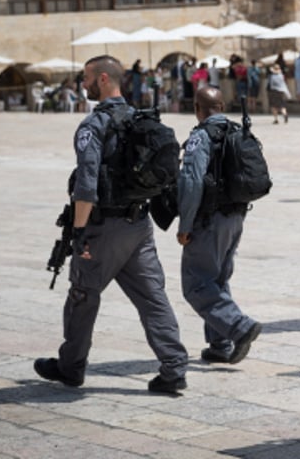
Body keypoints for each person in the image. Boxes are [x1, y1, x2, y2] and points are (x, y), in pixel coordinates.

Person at [34, 55, 189, 394]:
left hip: (104, 229)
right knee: (152, 297)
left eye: (86, 78)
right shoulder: (138, 118)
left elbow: (86, 185)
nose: (82, 84)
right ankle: (174, 368)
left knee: (82, 295)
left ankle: (71, 367)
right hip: (139, 226)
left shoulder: (94, 125)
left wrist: (78, 232)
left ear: (103, 79)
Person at [175, 86, 264, 365]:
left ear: (197, 109)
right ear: (222, 105)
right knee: (217, 279)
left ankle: (239, 326)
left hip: (209, 220)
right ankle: (220, 344)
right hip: (235, 216)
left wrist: (185, 224)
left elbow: (191, 182)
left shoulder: (201, 137)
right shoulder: (237, 131)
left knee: (196, 284)